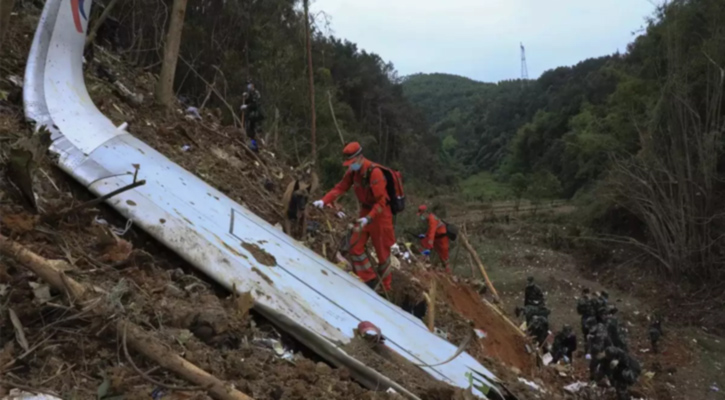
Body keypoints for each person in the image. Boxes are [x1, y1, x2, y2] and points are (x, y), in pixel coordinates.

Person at [313, 142, 396, 292]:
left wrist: (368, 218)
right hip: (365, 212)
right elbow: (340, 187)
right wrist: (324, 201)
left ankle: (385, 289)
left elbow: (382, 201)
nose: (351, 166)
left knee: (382, 254)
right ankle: (369, 279)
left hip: (380, 215)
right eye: (349, 163)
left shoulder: (375, 172)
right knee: (354, 245)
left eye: (352, 162)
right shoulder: (352, 172)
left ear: (360, 157)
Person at [416, 204, 450, 273]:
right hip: (437, 238)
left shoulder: (432, 219)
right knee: (424, 242)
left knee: (444, 256)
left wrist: (430, 243)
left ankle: (448, 272)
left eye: (421, 214)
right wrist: (425, 236)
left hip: (442, 239)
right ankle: (423, 258)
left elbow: (432, 231)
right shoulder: (430, 218)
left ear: (425, 213)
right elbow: (430, 231)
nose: (421, 217)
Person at [240, 81, 263, 152]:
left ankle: (254, 148)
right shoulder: (250, 93)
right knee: (248, 131)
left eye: (250, 85)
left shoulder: (256, 94)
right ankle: (250, 147)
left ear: (253, 85)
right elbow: (248, 101)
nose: (248, 86)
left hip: (255, 116)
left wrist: (246, 106)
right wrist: (246, 97)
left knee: (252, 132)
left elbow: (255, 104)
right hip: (249, 115)